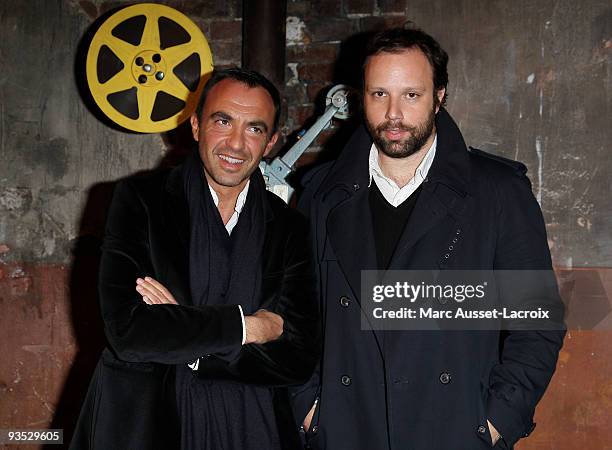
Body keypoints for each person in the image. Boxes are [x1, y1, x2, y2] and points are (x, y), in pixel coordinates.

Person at [291, 27, 565, 450]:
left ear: (439, 96)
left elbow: (537, 323)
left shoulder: (497, 192)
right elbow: (294, 314)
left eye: (411, 95)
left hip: (452, 430)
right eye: (379, 94)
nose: (393, 113)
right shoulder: (320, 195)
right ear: (360, 97)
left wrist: (494, 423)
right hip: (346, 430)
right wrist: (309, 410)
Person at [71, 68, 319, 450]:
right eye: (223, 121)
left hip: (258, 428)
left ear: (270, 142)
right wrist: (247, 328)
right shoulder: (139, 200)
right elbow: (130, 332)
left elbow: (296, 356)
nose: (236, 144)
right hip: (147, 427)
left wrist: (190, 343)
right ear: (196, 126)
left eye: (254, 129)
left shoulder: (290, 227)